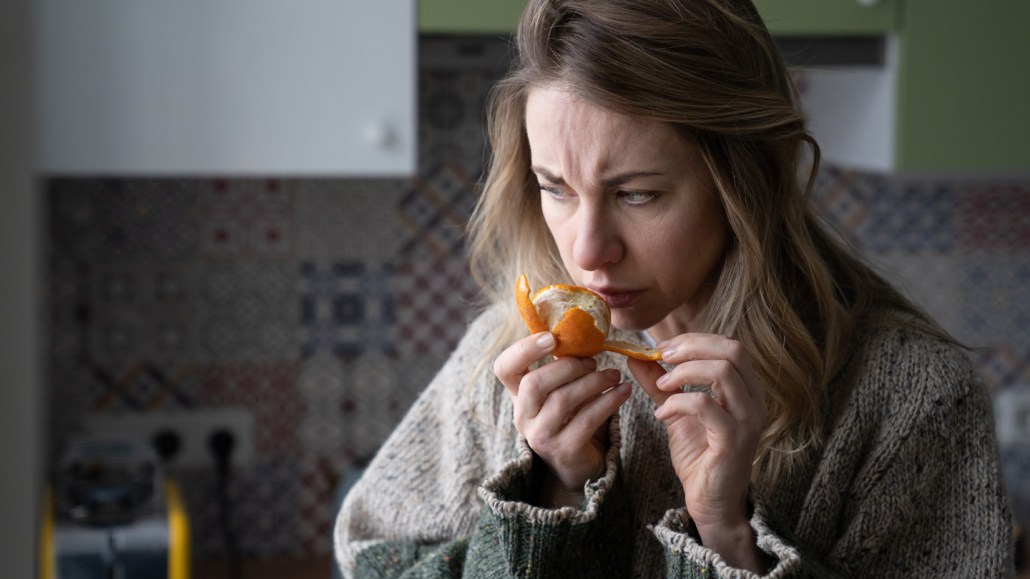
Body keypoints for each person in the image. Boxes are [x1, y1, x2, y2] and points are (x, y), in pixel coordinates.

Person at [334, 0, 1014, 576]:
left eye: (637, 193)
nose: (587, 249)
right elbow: (371, 556)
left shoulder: (914, 397)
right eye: (554, 189)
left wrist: (725, 534)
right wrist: (548, 495)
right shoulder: (506, 358)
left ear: (743, 184)